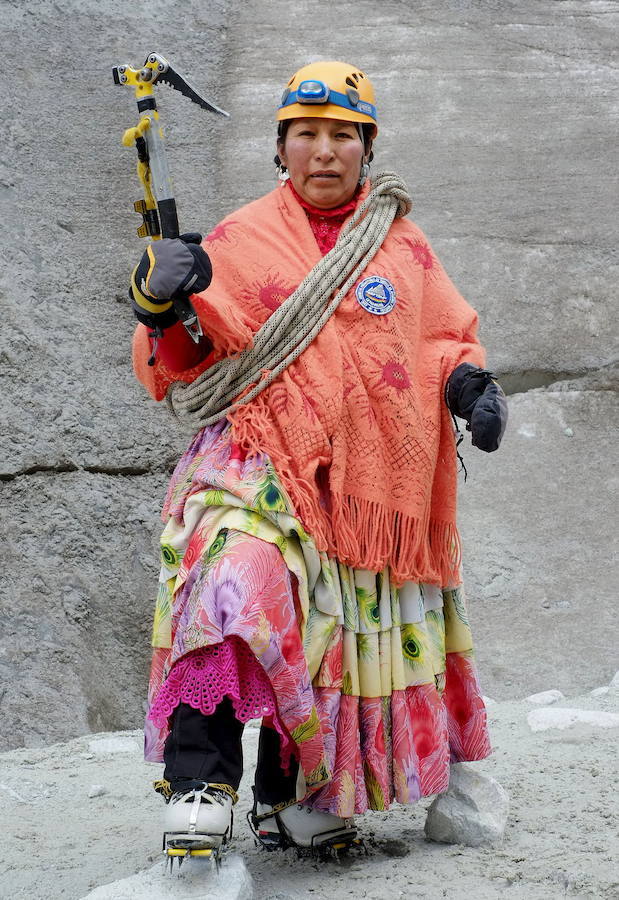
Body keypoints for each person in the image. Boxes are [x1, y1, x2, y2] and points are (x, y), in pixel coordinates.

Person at [129, 60, 508, 856]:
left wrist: (469, 385)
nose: (324, 151)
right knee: (235, 588)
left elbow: (436, 340)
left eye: (342, 134)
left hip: (362, 487)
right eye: (306, 134)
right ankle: (201, 780)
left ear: (367, 148)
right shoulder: (237, 240)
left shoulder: (401, 248)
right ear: (280, 147)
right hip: (254, 462)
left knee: (335, 626)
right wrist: (162, 303)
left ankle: (291, 796)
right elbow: (183, 362)